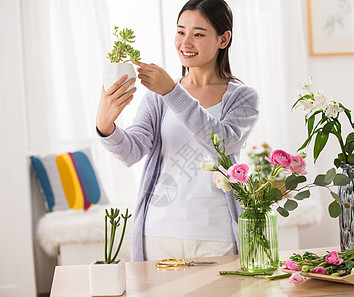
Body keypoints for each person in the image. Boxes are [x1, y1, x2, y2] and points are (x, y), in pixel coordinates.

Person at [96, 0, 259, 262]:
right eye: (181, 31)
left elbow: (223, 144)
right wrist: (106, 127)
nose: (186, 43)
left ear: (223, 39)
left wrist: (173, 92)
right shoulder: (158, 97)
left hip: (216, 234)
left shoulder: (243, 97)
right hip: (159, 232)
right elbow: (132, 152)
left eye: (198, 34)